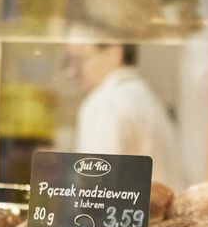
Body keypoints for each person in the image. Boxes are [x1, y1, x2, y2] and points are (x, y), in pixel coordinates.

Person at [67, 32, 185, 189]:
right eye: (68, 61)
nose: (71, 72)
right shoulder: (145, 97)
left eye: (79, 59)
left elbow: (95, 192)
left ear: (114, 52)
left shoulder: (106, 101)